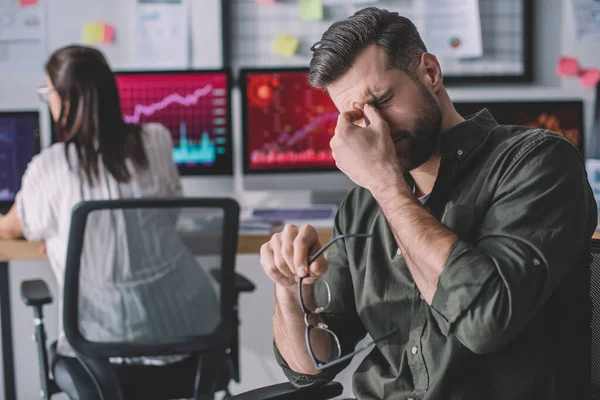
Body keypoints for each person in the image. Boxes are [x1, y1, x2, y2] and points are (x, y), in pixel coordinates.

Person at [260, 7, 597, 400]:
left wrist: (386, 186)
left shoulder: (537, 161)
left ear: (430, 73)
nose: (376, 128)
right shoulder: (360, 205)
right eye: (355, 116)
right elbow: (313, 370)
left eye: (382, 100)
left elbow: (484, 321)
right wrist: (287, 291)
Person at [0, 45, 219, 399]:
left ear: (66, 100)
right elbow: (167, 214)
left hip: (100, 357)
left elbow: (11, 228)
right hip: (187, 341)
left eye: (48, 94)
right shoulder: (157, 141)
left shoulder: (50, 167)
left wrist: (58, 235)